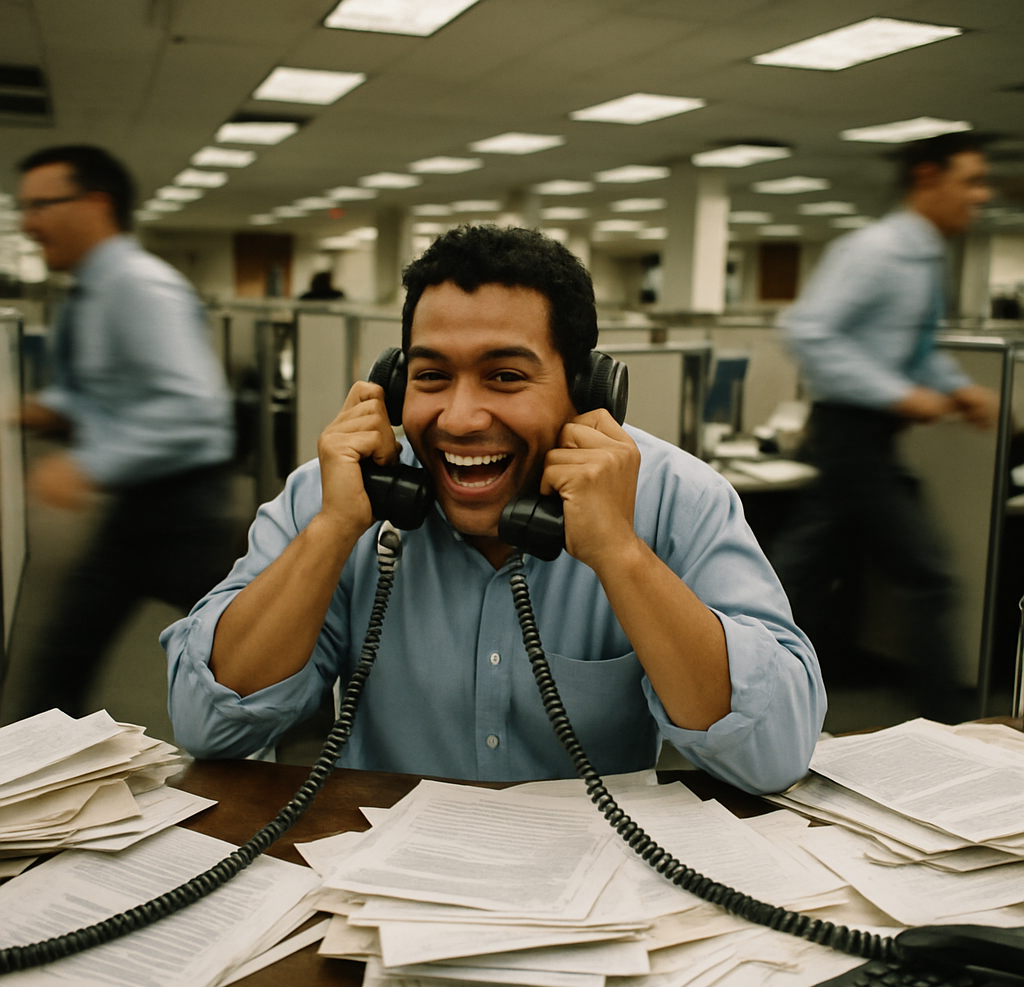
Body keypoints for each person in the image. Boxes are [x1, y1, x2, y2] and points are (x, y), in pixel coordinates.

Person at [163, 225, 824, 795]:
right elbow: (206, 723)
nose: (459, 416)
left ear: (586, 391)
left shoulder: (678, 499)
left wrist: (620, 554)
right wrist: (334, 531)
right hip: (381, 878)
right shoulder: (333, 496)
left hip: (595, 886)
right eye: (431, 377)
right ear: (395, 386)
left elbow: (774, 754)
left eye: (505, 376)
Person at [772, 133, 998, 723]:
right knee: (929, 575)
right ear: (928, 177)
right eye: (970, 180)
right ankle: (949, 723)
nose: (981, 194)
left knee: (801, 568)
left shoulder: (925, 258)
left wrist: (955, 386)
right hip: (850, 430)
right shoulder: (875, 250)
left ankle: (732, 646)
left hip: (870, 436)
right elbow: (809, 331)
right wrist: (897, 394)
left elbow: (913, 351)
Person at [16, 145, 237, 720]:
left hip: (180, 504)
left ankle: (329, 717)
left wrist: (90, 464)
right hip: (144, 502)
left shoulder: (137, 285)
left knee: (253, 631)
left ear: (96, 204)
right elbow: (107, 388)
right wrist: (44, 409)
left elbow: (194, 406)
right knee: (67, 653)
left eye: (41, 205)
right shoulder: (95, 289)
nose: (27, 223)